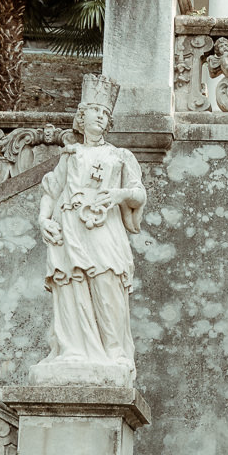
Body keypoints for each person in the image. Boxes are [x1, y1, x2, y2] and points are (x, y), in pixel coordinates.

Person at [33, 76, 146, 386]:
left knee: (108, 283)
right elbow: (51, 190)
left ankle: (114, 353)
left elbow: (139, 194)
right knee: (70, 285)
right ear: (81, 118)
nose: (100, 116)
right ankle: (73, 351)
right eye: (94, 110)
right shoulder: (70, 155)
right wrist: (44, 220)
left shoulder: (121, 156)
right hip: (68, 229)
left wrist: (120, 195)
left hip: (104, 227)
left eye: (104, 113)